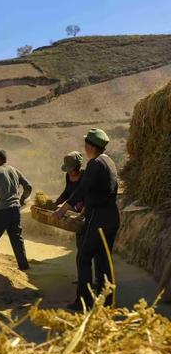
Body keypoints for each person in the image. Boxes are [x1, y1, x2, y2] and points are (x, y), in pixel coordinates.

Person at [55, 128, 120, 310]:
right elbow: (99, 191)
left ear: (90, 146)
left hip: (98, 217)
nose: (84, 147)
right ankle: (107, 300)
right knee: (103, 259)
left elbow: (83, 189)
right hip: (112, 216)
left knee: (83, 258)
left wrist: (63, 209)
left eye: (86, 144)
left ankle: (83, 302)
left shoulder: (95, 164)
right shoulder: (109, 161)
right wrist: (82, 212)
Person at [0, 149, 32, 271]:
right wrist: (21, 201)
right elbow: (28, 187)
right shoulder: (14, 170)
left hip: (2, 211)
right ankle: (24, 266)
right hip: (15, 210)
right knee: (16, 238)